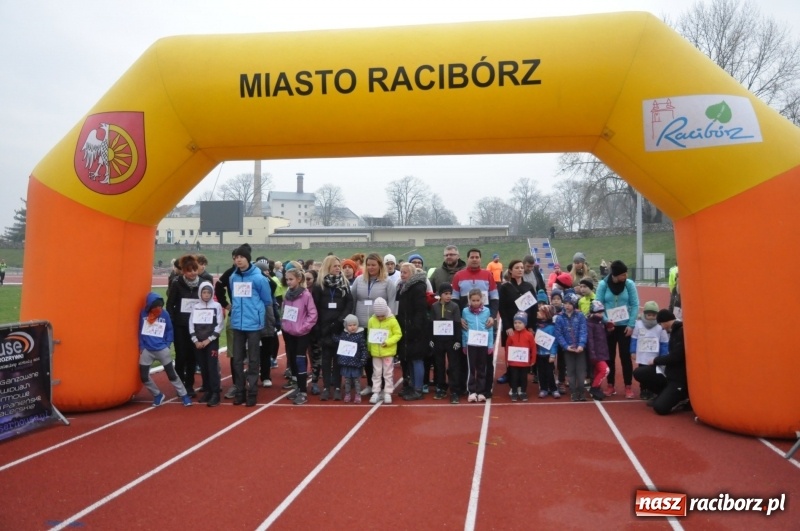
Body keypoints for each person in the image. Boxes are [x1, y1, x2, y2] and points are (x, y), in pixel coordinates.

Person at [229, 244, 273, 407]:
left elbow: (267, 299)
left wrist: (255, 310)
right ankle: (240, 391)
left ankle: (252, 392)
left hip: (253, 324)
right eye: (236, 258)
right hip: (237, 324)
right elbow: (233, 297)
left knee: (254, 359)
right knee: (237, 360)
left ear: (247, 258)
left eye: (241, 257)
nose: (238, 260)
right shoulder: (233, 277)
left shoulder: (259, 278)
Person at [452, 248, 499, 396]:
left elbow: (495, 298)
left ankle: (486, 388)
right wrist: (459, 318)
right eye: (471, 257)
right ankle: (468, 388)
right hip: (467, 322)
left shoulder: (488, 275)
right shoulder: (458, 275)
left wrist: (492, 316)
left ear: (480, 259)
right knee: (467, 359)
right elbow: (454, 300)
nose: (474, 259)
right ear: (467, 259)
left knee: (486, 360)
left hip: (485, 321)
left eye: (477, 257)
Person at [352, 253, 397, 396]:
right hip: (361, 325)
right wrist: (352, 321)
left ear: (379, 266)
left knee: (381, 358)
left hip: (380, 327)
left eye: (374, 265)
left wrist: (389, 322)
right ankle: (372, 385)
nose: (371, 267)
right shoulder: (359, 280)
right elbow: (352, 301)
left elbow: (392, 303)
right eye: (368, 265)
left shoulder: (388, 282)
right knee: (367, 357)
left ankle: (384, 386)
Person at [596, 260, 640, 399]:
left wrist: (631, 324)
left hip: (625, 326)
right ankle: (610, 385)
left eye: (626, 273)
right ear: (614, 275)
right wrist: (606, 321)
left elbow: (634, 304)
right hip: (609, 327)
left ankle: (628, 386)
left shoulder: (629, 284)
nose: (625, 276)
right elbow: (598, 304)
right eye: (622, 274)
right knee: (609, 357)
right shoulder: (603, 284)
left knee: (625, 357)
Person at [138, 292, 192, 407]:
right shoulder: (143, 314)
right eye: (156, 306)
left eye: (160, 306)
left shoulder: (165, 314)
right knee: (143, 375)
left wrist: (167, 344)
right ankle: (157, 394)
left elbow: (169, 330)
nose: (159, 309)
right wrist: (142, 346)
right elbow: (140, 331)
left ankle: (184, 395)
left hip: (162, 349)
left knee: (172, 374)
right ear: (150, 306)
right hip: (147, 350)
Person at [312, 255, 354, 401]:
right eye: (335, 266)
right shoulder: (319, 285)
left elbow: (349, 303)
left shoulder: (344, 284)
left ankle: (337, 386)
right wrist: (318, 326)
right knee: (325, 358)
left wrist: (340, 320)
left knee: (338, 358)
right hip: (324, 327)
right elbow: (315, 307)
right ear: (328, 267)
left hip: (339, 326)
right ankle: (326, 387)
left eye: (339, 266)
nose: (338, 268)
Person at [632, 309, 689, 415]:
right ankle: (663, 394)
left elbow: (677, 357)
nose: (661, 327)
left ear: (666, 321)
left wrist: (656, 360)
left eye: (661, 324)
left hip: (678, 379)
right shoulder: (674, 331)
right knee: (638, 372)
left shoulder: (681, 332)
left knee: (660, 408)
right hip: (669, 374)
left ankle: (682, 397)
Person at [166, 255, 202, 397]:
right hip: (180, 325)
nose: (192, 273)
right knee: (181, 356)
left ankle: (189, 385)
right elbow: (170, 304)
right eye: (189, 270)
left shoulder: (203, 283)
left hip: (196, 326)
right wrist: (173, 321)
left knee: (192, 356)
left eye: (194, 269)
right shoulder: (177, 283)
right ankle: (180, 385)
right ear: (183, 272)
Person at [281, 266, 318, 405]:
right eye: (287, 279)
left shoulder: (306, 295)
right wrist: (284, 324)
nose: (289, 282)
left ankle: (303, 392)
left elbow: (313, 314)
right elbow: (284, 310)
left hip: (301, 334)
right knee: (292, 361)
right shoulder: (287, 294)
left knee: (300, 360)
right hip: (289, 333)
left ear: (298, 279)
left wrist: (304, 327)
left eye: (291, 279)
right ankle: (298, 387)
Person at [497, 260, 537, 386]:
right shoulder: (505, 287)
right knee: (511, 350)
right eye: (516, 267)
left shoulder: (528, 286)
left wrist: (531, 326)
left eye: (521, 267)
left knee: (524, 349)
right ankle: (509, 373)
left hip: (525, 325)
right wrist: (508, 326)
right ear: (510, 270)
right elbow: (501, 308)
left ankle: (522, 376)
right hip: (511, 325)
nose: (520, 269)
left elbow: (534, 308)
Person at [396, 262, 430, 401]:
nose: (402, 275)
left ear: (412, 274)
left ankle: (418, 389)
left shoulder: (417, 288)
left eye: (405, 272)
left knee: (417, 359)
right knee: (409, 359)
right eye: (401, 272)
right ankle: (412, 386)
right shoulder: (403, 287)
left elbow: (420, 310)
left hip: (416, 331)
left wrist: (414, 328)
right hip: (406, 328)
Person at [189, 281, 224, 406]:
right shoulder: (196, 307)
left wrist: (209, 339)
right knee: (203, 367)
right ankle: (207, 390)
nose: (206, 295)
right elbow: (191, 324)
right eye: (204, 292)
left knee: (212, 367)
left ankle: (215, 393)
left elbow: (220, 324)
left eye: (209, 292)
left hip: (211, 342)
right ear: (200, 293)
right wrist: (195, 340)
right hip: (198, 342)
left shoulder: (217, 306)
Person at [429, 282, 462, 403]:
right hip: (438, 341)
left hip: (451, 341)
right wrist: (431, 339)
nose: (448, 296)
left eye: (450, 294)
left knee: (453, 365)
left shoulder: (454, 306)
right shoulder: (434, 306)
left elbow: (458, 324)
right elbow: (431, 323)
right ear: (440, 294)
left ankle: (454, 390)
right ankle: (441, 387)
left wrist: (458, 340)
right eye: (446, 294)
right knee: (439, 365)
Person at [630, 301, 669, 400]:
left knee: (655, 374)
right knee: (643, 373)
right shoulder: (638, 324)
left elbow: (664, 342)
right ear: (644, 314)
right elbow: (634, 338)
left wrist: (663, 355)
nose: (651, 317)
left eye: (654, 315)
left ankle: (653, 390)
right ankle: (643, 390)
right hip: (642, 356)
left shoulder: (660, 326)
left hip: (655, 357)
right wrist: (633, 351)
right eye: (649, 315)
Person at [367, 297, 402, 404]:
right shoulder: (372, 320)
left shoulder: (392, 320)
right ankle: (376, 391)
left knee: (388, 372)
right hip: (376, 353)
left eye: (382, 316)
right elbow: (369, 335)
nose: (380, 318)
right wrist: (369, 349)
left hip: (388, 352)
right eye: (378, 316)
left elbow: (398, 334)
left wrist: (388, 342)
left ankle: (387, 392)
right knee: (376, 373)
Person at [462, 288, 494, 402]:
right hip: (471, 344)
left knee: (482, 367)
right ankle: (471, 391)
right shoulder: (465, 311)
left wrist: (490, 345)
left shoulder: (487, 311)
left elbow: (489, 329)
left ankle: (481, 391)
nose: (475, 303)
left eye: (477, 300)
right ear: (469, 300)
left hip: (483, 344)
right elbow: (464, 329)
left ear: (482, 300)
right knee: (471, 368)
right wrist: (464, 344)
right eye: (473, 300)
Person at [554, 292, 588, 401]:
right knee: (571, 371)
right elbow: (558, 334)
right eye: (565, 303)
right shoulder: (559, 318)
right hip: (568, 349)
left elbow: (583, 331)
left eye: (570, 303)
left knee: (581, 371)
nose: (567, 305)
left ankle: (581, 391)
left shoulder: (580, 315)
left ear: (574, 304)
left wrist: (581, 345)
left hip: (580, 349)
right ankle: (573, 392)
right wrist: (565, 346)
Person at [336, 314, 369, 403]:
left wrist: (363, 359)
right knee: (347, 380)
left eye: (354, 325)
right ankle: (347, 394)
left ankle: (357, 395)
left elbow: (363, 349)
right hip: (346, 362)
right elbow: (340, 343)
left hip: (356, 362)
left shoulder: (360, 336)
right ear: (346, 326)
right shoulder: (343, 335)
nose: (352, 327)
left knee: (356, 380)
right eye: (350, 325)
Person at [505, 311, 536, 402]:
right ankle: (514, 391)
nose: (517, 325)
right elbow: (507, 347)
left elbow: (533, 348)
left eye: (520, 323)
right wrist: (507, 359)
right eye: (515, 323)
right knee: (514, 377)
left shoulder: (529, 335)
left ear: (525, 324)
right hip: (513, 362)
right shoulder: (511, 335)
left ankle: (523, 392)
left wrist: (533, 359)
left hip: (524, 363)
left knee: (523, 378)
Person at [585, 300, 610, 401]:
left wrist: (609, 330)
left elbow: (603, 337)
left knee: (598, 371)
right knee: (605, 370)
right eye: (599, 313)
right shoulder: (590, 324)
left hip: (601, 352)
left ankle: (596, 388)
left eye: (602, 312)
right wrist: (592, 354)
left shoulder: (600, 323)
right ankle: (594, 388)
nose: (601, 314)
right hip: (596, 354)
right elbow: (590, 340)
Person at [535, 304, 559, 398]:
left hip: (548, 354)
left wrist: (553, 354)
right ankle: (543, 389)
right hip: (539, 353)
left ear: (546, 315)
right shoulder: (537, 326)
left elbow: (554, 342)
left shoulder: (552, 327)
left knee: (550, 372)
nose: (537, 313)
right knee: (540, 372)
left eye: (540, 312)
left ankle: (553, 389)